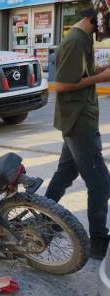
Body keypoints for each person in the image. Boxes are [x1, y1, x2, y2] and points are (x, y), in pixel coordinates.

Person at [45, 3, 110, 260]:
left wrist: (99, 72)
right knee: (100, 184)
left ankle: (43, 223)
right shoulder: (75, 41)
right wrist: (102, 78)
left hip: (78, 120)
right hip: (79, 123)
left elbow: (78, 74)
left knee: (64, 175)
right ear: (97, 21)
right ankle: (98, 243)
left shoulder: (83, 38)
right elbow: (61, 84)